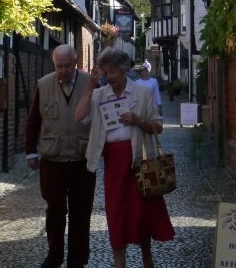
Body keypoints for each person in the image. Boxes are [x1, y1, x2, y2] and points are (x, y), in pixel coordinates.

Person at [74, 47, 174, 268]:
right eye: (105, 73)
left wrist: (138, 120)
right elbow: (79, 117)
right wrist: (91, 85)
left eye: (112, 73)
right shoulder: (100, 94)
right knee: (116, 213)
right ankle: (119, 263)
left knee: (142, 214)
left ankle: (147, 258)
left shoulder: (142, 93)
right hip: (114, 162)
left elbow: (158, 127)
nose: (109, 77)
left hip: (140, 160)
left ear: (124, 70)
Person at [25, 44, 96, 268]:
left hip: (82, 159)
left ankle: (77, 259)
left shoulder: (90, 84)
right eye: (58, 66)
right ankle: (54, 256)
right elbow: (33, 121)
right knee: (54, 210)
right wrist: (30, 152)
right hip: (52, 160)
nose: (63, 70)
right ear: (53, 64)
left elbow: (103, 119)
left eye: (67, 66)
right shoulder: (44, 85)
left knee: (81, 212)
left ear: (75, 63)